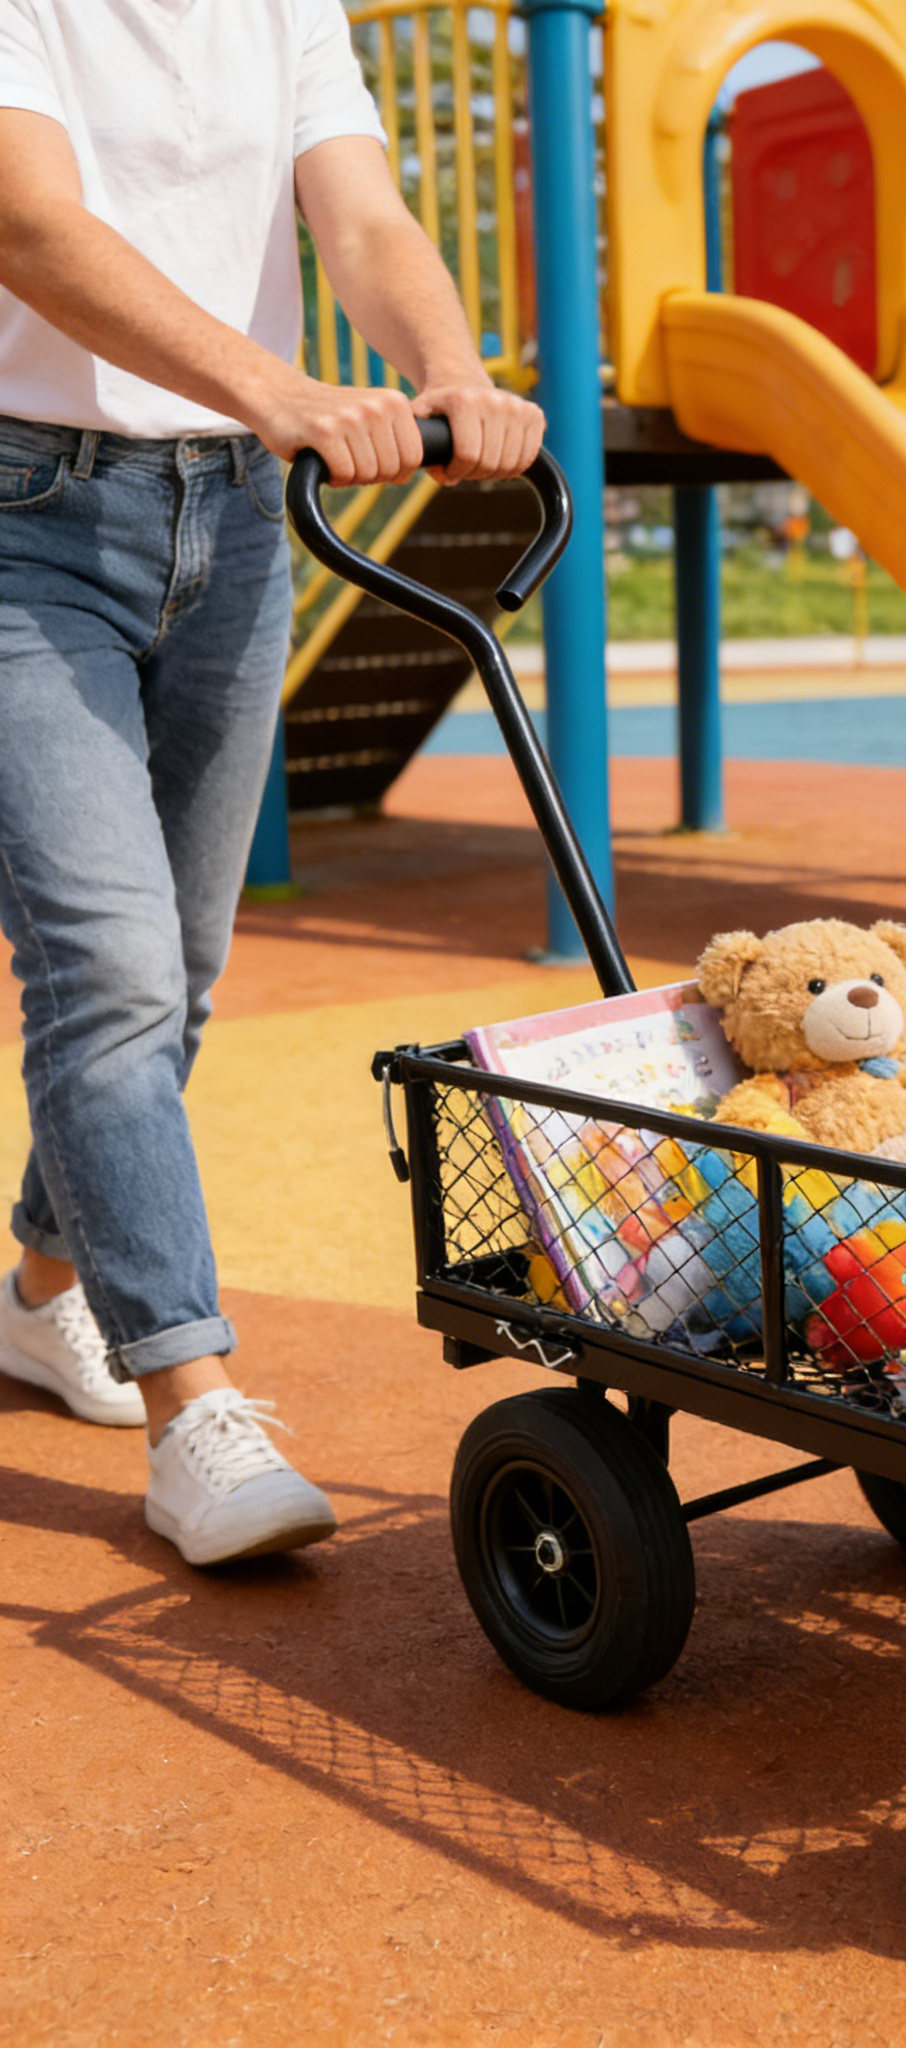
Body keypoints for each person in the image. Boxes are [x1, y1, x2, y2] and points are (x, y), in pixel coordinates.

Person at [0, 0, 545, 1564]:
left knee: (181, 968)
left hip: (233, 517)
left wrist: (449, 371)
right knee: (102, 966)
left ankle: (44, 1293)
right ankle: (195, 1407)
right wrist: (286, 391)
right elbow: (28, 223)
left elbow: (361, 215)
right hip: (25, 515)